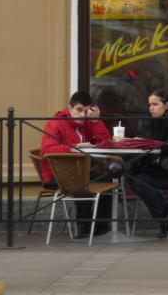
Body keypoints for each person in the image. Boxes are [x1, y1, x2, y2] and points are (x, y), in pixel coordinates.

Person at [40, 91, 112, 238]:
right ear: (70, 108)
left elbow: (105, 144)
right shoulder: (55, 124)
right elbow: (46, 151)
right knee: (84, 181)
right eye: (79, 110)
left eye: (86, 111)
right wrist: (74, 147)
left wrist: (96, 121)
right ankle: (83, 224)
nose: (82, 115)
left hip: (80, 171)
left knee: (108, 176)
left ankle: (99, 225)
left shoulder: (87, 123)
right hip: (56, 175)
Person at [127, 89, 168, 237]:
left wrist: (147, 143)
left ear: (167, 106)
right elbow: (152, 143)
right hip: (159, 169)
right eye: (150, 104)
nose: (151, 108)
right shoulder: (153, 122)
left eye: (155, 104)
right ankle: (164, 211)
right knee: (129, 176)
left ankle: (162, 214)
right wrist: (142, 142)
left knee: (139, 181)